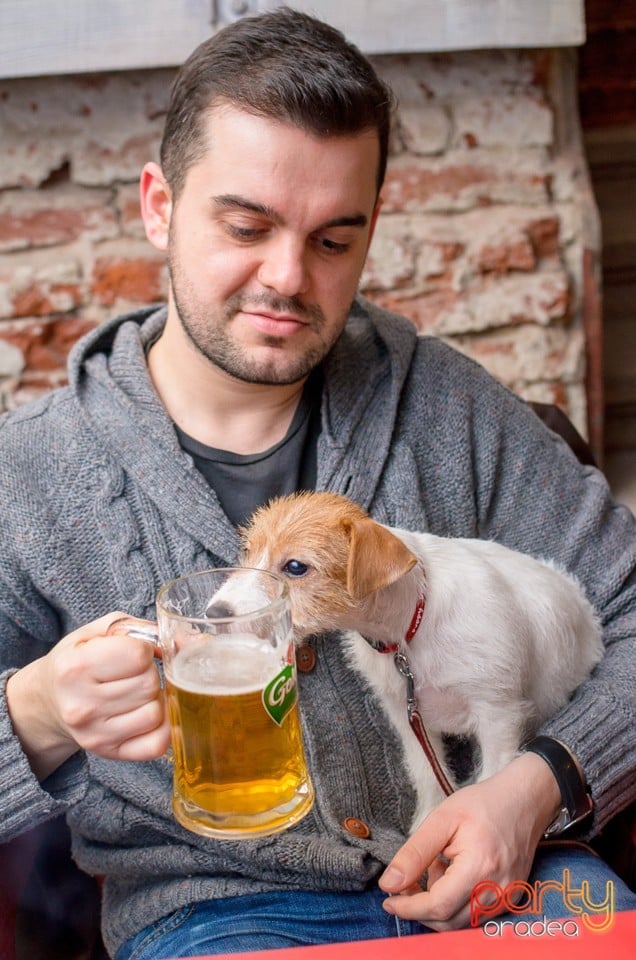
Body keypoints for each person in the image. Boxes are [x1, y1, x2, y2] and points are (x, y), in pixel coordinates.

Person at [1, 7, 634, 959]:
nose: (288, 279)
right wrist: (37, 712)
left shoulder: (447, 405)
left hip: (520, 875)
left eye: (334, 240)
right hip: (221, 915)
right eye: (248, 226)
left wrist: (537, 781)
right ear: (159, 205)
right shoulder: (35, 468)